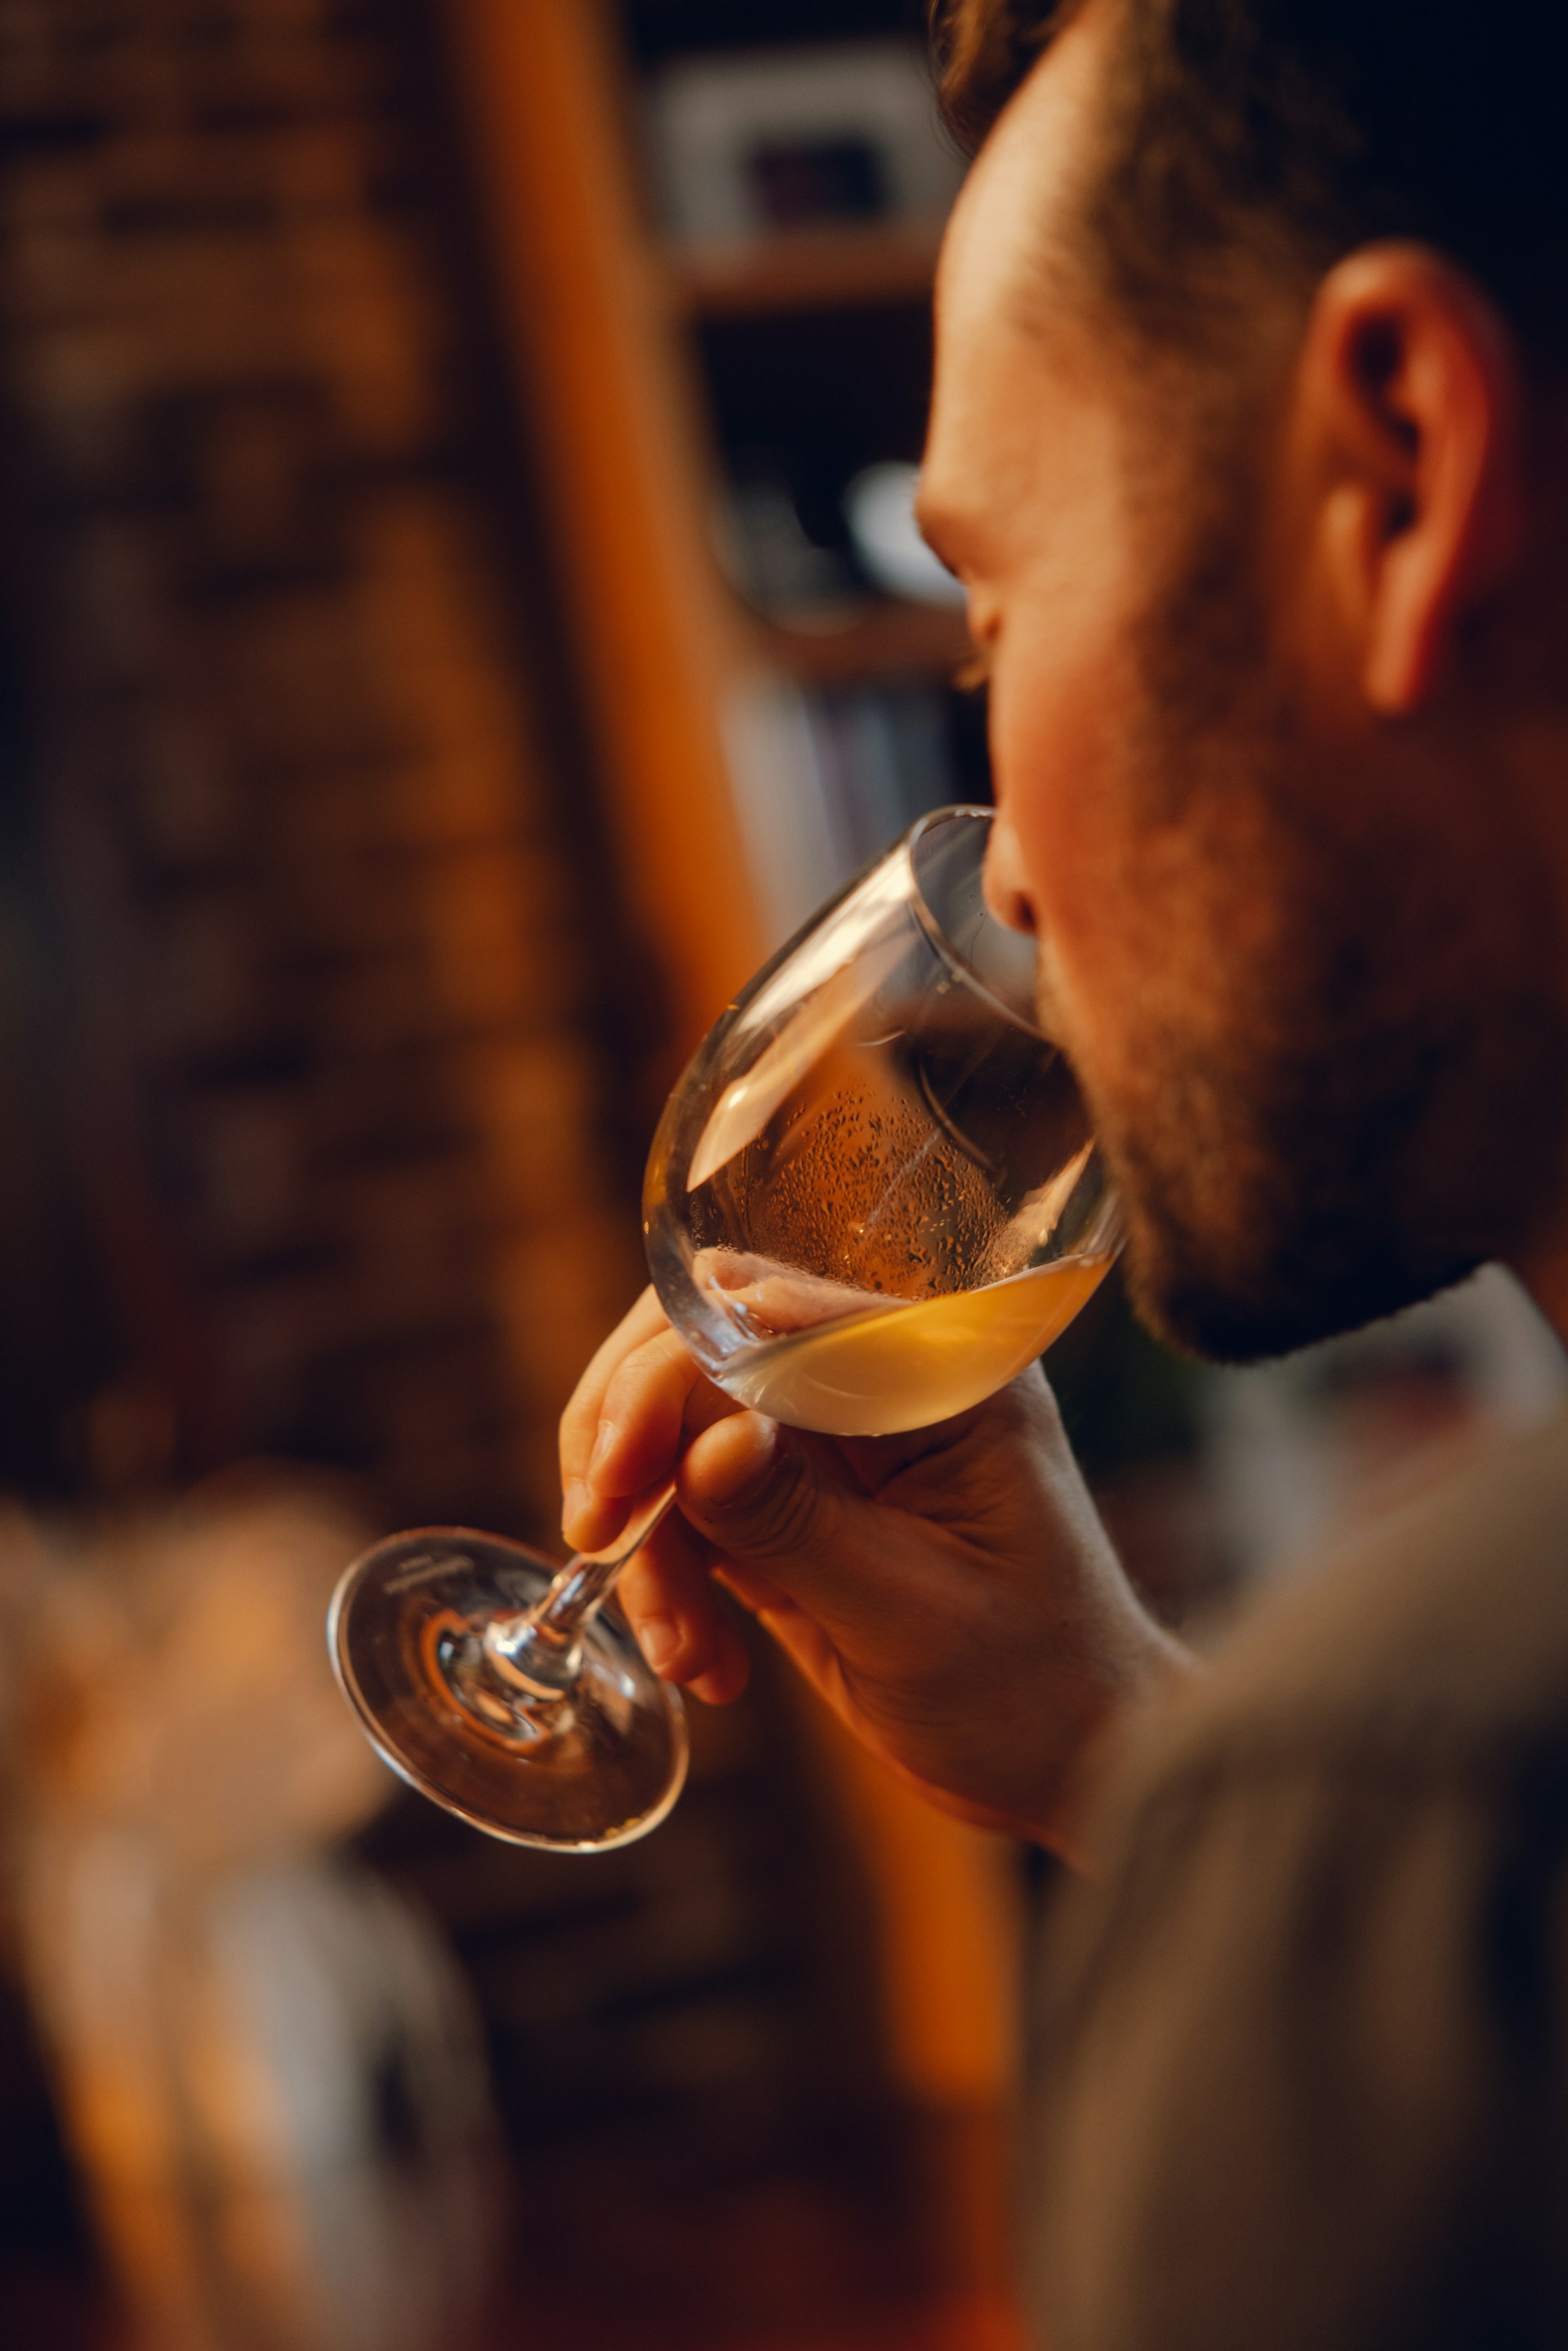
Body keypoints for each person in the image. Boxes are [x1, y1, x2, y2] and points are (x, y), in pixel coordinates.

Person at [563, 0, 1568, 2339]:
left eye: (991, 612)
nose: (1004, 870)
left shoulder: (1430, 1802)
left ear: (1402, 469)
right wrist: (1129, 1748)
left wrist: (1302, 1847)